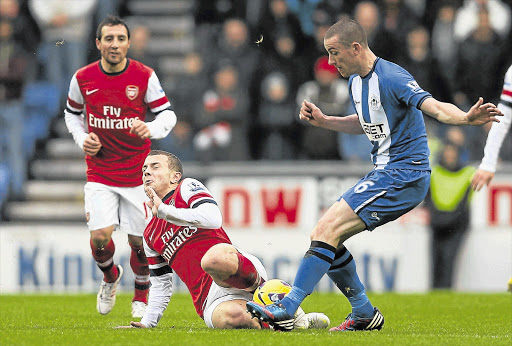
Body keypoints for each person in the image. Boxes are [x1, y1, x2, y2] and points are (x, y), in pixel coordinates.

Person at [246, 18, 502, 332]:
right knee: (331, 237)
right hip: (386, 172)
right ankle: (364, 313)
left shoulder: (393, 77)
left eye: (334, 52)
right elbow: (366, 120)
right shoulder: (355, 81)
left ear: (355, 48)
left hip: (404, 174)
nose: (330, 61)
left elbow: (432, 106)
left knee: (325, 228)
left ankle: (287, 307)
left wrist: (464, 117)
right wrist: (327, 121)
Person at [117, 150, 330, 329]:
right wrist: (147, 323)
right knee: (234, 317)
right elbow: (161, 284)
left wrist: (165, 211)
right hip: (209, 299)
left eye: (155, 166)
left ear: (175, 176)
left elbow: (213, 218)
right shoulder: (150, 235)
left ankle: (272, 296)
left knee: (212, 260)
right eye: (144, 169)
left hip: (232, 266)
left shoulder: (186, 188)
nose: (147, 172)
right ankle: (294, 322)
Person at [64, 15, 177, 318]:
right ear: (98, 43)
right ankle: (110, 277)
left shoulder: (144, 76)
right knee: (100, 237)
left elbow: (168, 115)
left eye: (121, 39)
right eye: (109, 39)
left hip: (137, 175)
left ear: (128, 43)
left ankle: (141, 291)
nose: (115, 44)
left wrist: (150, 129)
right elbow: (71, 114)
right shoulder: (82, 78)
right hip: (100, 172)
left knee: (140, 244)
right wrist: (81, 137)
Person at [425, 138, 475, 289]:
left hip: (456, 225)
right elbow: (428, 200)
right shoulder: (433, 172)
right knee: (436, 261)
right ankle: (435, 295)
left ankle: (446, 292)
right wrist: (437, 219)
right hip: (437, 223)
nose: (449, 157)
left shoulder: (468, 173)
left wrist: (443, 218)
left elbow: (464, 204)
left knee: (448, 260)